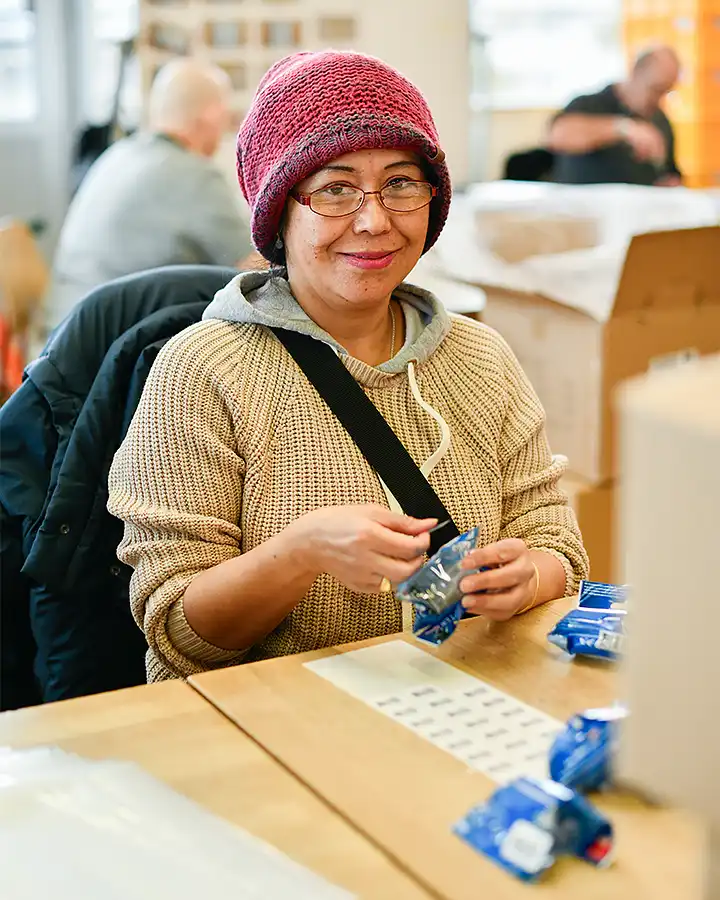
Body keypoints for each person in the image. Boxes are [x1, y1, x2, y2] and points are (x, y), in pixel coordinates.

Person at [107, 51, 589, 684]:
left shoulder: (480, 356)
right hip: (278, 726)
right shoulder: (202, 371)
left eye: (401, 183)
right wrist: (299, 553)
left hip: (465, 700)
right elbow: (177, 634)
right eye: (335, 189)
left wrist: (529, 578)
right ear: (280, 211)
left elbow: (557, 543)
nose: (374, 220)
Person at [47, 59, 252, 329]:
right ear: (212, 115)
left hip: (63, 334)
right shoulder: (195, 175)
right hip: (116, 347)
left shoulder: (117, 155)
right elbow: (253, 269)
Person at [548, 46, 682, 186]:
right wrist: (624, 128)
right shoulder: (588, 105)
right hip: (584, 204)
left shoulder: (660, 120)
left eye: (666, 92)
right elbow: (557, 136)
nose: (659, 98)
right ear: (636, 72)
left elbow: (670, 173)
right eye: (656, 89)